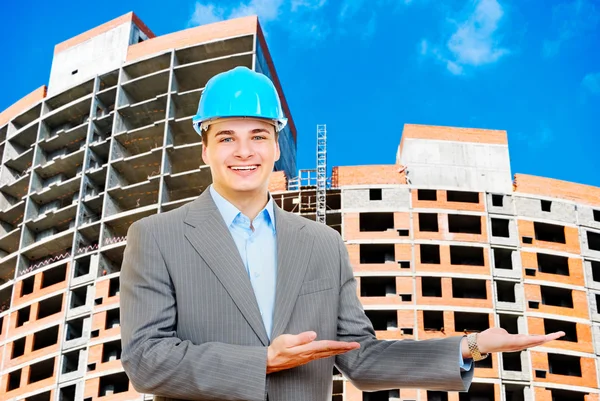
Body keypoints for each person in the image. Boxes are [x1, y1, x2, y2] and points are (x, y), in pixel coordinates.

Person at [119, 66, 564, 401]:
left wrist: (471, 346)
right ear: (204, 149)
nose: (244, 152)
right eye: (226, 138)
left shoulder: (320, 243)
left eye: (258, 136)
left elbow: (360, 358)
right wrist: (262, 362)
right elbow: (144, 361)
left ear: (277, 147)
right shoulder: (157, 237)